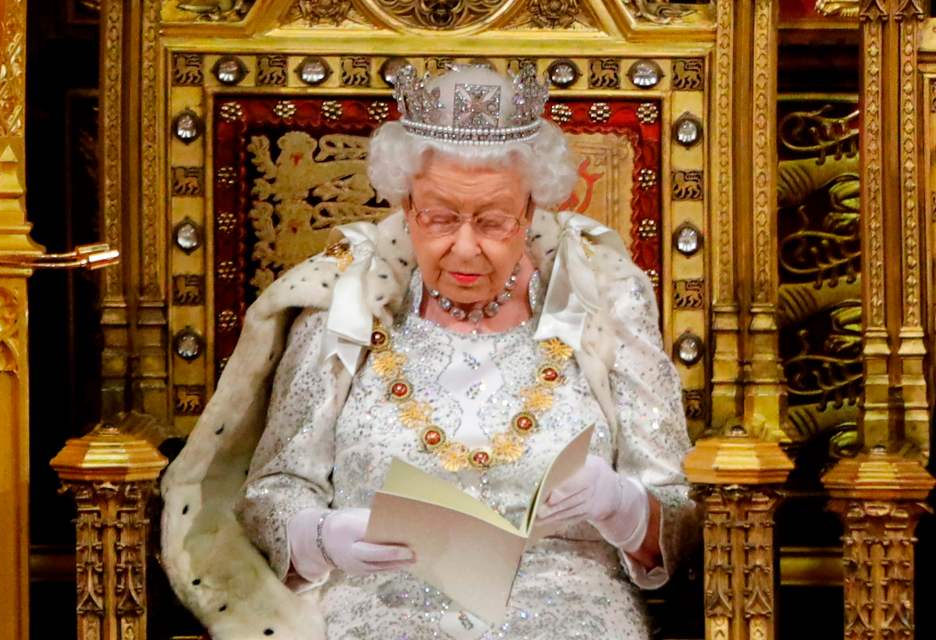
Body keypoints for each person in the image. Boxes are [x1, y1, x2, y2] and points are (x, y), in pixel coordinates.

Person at [161, 63, 696, 640]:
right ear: (405, 203)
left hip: (571, 609)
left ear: (533, 211)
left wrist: (621, 505)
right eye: (439, 218)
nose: (465, 248)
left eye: (493, 221)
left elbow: (684, 516)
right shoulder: (342, 303)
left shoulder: (605, 299)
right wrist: (320, 537)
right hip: (379, 609)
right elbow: (275, 487)